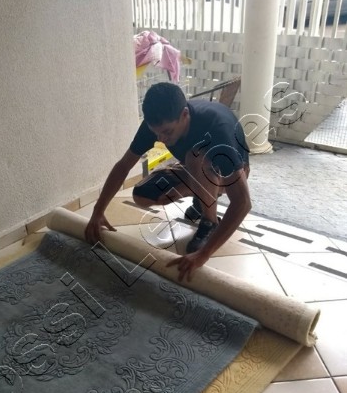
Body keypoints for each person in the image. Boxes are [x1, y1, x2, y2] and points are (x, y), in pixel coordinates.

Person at [85, 82, 251, 281]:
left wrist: (204, 254)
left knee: (194, 157)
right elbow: (124, 165)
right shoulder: (157, 124)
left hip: (228, 171)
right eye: (157, 134)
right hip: (195, 169)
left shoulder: (218, 129)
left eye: (167, 132)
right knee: (142, 196)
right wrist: (98, 210)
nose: (161, 139)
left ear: (184, 115)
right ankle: (201, 196)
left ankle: (210, 221)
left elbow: (242, 202)